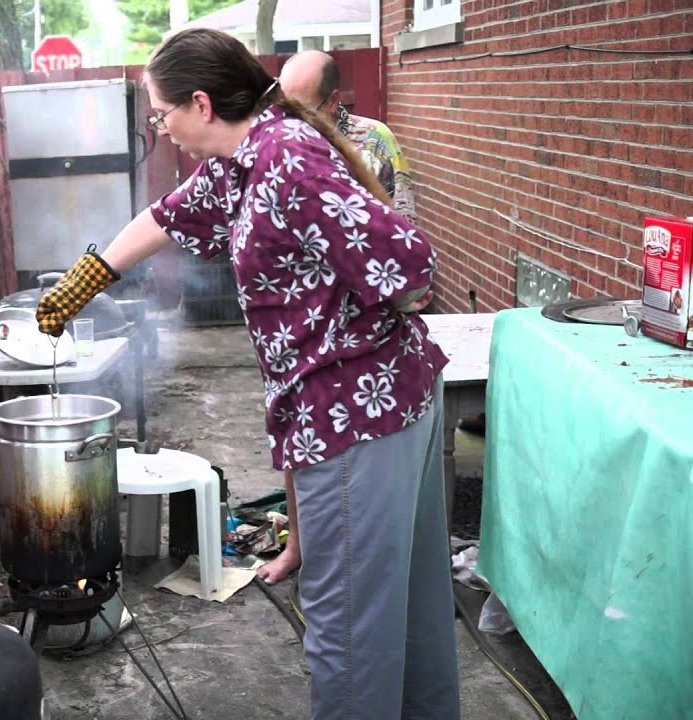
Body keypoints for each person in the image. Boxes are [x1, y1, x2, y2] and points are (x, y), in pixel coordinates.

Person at [36, 29, 459, 720]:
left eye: (160, 113)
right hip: (382, 404)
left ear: (200, 104)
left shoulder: (286, 158)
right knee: (407, 614)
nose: (159, 127)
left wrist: (342, 329)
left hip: (357, 415)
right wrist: (87, 279)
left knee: (348, 636)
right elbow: (167, 217)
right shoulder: (242, 160)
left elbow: (409, 264)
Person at [261, 49, 422, 584]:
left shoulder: (374, 141)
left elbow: (399, 222)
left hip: (359, 314)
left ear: (333, 101)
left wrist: (395, 293)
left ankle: (344, 560)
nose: (289, 113)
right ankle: (297, 545)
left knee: (338, 451)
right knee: (292, 433)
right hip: (298, 317)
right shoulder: (276, 143)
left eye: (302, 103)